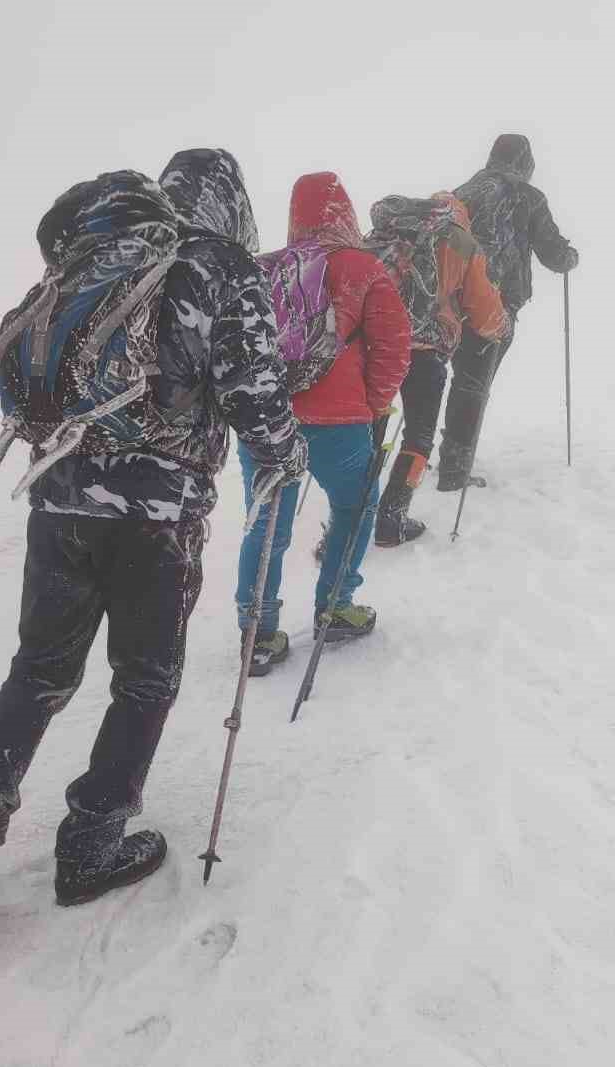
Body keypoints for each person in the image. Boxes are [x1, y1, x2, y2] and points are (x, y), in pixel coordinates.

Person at [0, 149, 306, 908]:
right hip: (158, 515)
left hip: (60, 493)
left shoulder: (105, 250)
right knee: (144, 678)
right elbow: (253, 388)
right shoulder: (221, 262)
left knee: (39, 667)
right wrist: (286, 453)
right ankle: (92, 841)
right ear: (230, 201)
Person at [235, 171, 411, 674]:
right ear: (346, 211)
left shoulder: (265, 270)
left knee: (266, 521)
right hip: (341, 422)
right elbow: (394, 347)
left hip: (268, 421)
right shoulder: (361, 267)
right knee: (354, 507)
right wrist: (371, 404)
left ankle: (258, 631)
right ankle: (335, 606)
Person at [365, 193, 507, 545]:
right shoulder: (462, 241)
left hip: (376, 345)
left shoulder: (389, 230)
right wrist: (502, 324)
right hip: (425, 352)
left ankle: (350, 515)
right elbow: (483, 312)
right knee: (418, 435)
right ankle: (391, 518)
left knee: (370, 430)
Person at [441, 132, 579, 489]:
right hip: (495, 304)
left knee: (461, 376)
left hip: (452, 301)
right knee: (474, 382)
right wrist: (569, 257)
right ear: (525, 161)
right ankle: (454, 467)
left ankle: (436, 453)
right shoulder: (528, 196)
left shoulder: (463, 191)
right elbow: (552, 252)